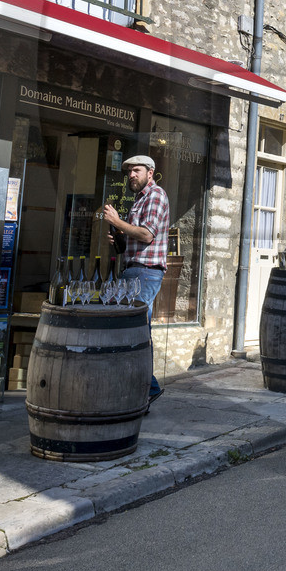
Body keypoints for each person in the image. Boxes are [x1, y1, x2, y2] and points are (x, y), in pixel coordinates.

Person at [103, 155, 170, 402]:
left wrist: (117, 221)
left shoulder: (155, 196)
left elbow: (146, 235)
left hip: (146, 271)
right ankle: (142, 386)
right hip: (133, 269)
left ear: (150, 172)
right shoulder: (138, 201)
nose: (131, 174)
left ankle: (147, 389)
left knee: (137, 329)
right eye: (129, 171)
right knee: (133, 328)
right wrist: (119, 237)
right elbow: (131, 242)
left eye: (137, 170)